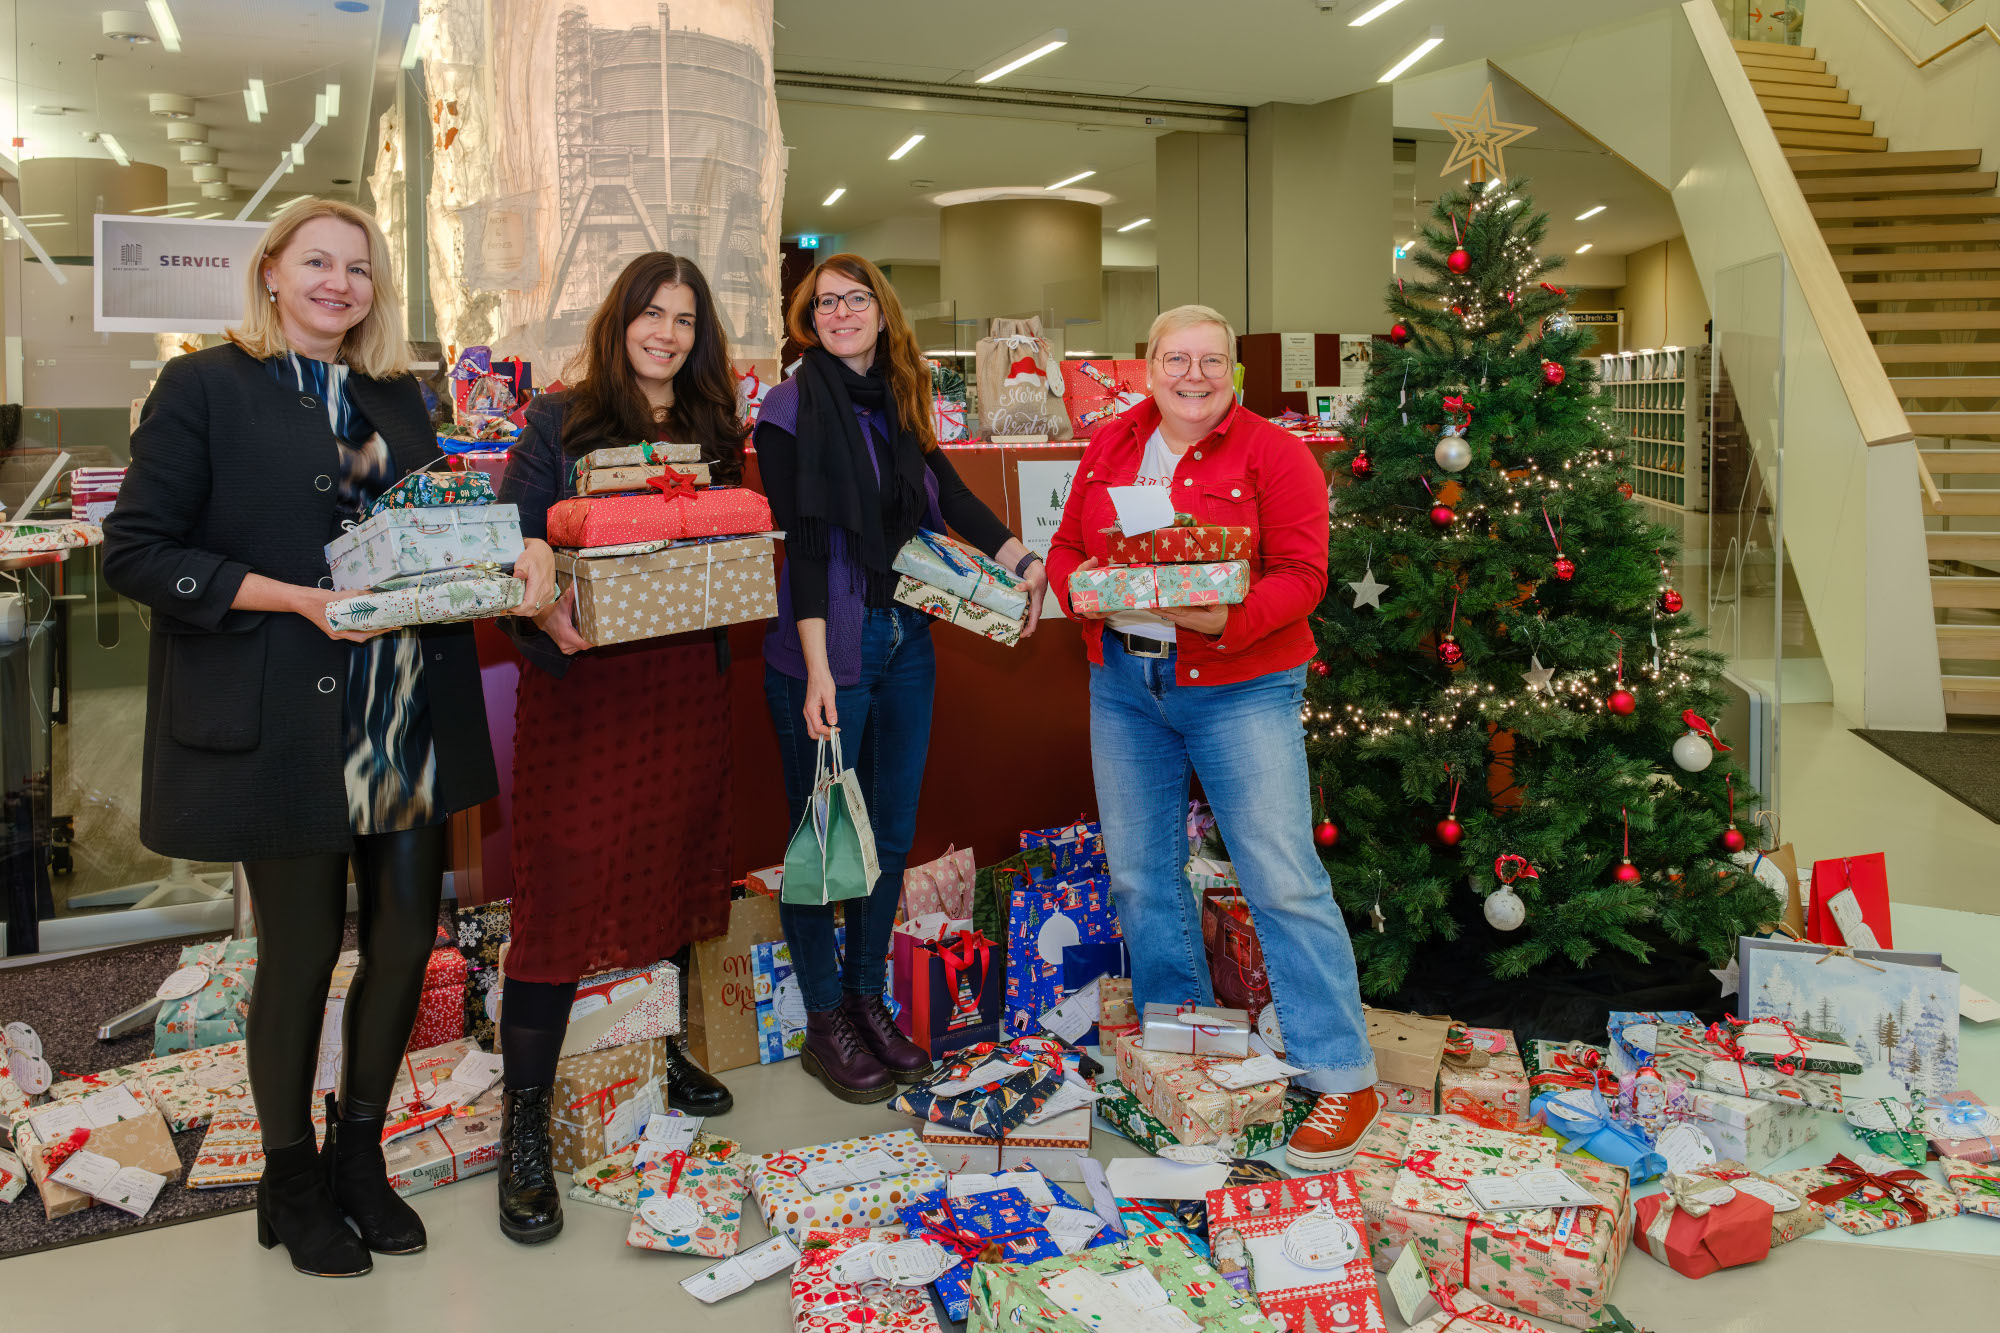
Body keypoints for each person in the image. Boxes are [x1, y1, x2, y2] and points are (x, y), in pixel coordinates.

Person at [103, 199, 507, 1277]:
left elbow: (415, 525)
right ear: (271, 270)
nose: (340, 283)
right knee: (297, 952)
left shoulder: (396, 394)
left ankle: (358, 1155)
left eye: (360, 269)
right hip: (284, 711)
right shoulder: (204, 386)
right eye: (318, 262)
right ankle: (288, 1178)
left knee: (405, 943)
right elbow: (136, 551)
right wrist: (290, 597)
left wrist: (492, 555)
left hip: (404, 705)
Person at [1043, 304, 1383, 1171]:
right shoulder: (1113, 445)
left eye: (1211, 360)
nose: (1192, 375)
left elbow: (1305, 575)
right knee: (1141, 872)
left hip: (1240, 686)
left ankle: (1342, 1073)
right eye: (1174, 359)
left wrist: (1224, 617)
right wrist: (1080, 585)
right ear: (1147, 365)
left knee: (1281, 876)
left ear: (1233, 370)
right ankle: (1187, 1044)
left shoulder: (1277, 453)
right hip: (1124, 683)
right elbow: (1067, 548)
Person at [758, 254, 1049, 1102]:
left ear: (883, 313)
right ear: (807, 320)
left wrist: (1021, 556)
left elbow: (949, 496)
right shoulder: (788, 408)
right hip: (826, 652)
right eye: (825, 302)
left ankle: (864, 997)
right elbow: (805, 546)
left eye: (856, 299)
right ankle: (824, 1019)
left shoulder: (899, 400)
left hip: (903, 640)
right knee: (824, 842)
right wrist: (817, 669)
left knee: (885, 836)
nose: (842, 312)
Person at [496, 252, 743, 1245]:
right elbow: (511, 543)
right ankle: (525, 1118)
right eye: (652, 313)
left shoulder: (712, 427)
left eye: (685, 319)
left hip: (682, 686)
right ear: (620, 320)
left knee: (675, 867)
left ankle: (662, 1045)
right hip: (584, 690)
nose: (667, 334)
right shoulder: (558, 420)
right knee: (562, 889)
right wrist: (546, 600)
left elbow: (727, 545)